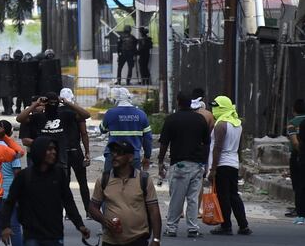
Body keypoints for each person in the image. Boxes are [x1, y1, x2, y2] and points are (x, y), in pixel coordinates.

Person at [158, 92, 210, 238]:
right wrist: (205, 163)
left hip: (179, 164)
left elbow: (164, 143)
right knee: (193, 198)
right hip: (197, 164)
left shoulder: (172, 119)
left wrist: (160, 162)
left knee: (177, 197)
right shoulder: (200, 119)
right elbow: (206, 144)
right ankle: (193, 228)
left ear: (178, 102)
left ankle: (172, 228)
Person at [208, 96, 252, 236]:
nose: (213, 109)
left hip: (222, 164)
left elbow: (217, 148)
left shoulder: (221, 125)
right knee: (234, 195)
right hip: (233, 163)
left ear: (223, 108)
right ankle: (243, 225)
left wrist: (213, 169)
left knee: (223, 196)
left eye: (216, 106)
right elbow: (239, 147)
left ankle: (225, 225)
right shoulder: (237, 124)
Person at [17, 91, 90, 168]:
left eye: (55, 103)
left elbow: (86, 115)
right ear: (45, 103)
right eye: (50, 103)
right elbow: (19, 119)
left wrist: (67, 103)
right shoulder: (39, 117)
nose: (53, 105)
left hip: (60, 159)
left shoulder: (64, 115)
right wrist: (36, 104)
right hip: (43, 159)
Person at [0, 120, 25, 246]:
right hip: (10, 195)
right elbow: (17, 174)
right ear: (9, 133)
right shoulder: (12, 150)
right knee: (15, 229)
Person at [99, 88, 152, 173]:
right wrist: (147, 156)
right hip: (133, 156)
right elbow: (148, 138)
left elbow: (102, 130)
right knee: (133, 184)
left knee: (109, 183)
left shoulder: (110, 113)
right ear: (129, 98)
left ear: (116, 99)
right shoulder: (141, 114)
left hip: (113, 156)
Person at [287, 99, 305, 224]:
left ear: (294, 110)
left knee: (298, 185)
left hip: (298, 156)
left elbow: (294, 142)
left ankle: (300, 211)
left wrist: (301, 152)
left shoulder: (292, 123)